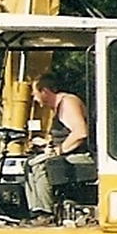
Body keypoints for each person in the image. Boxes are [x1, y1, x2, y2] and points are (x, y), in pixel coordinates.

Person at [24, 71, 90, 223]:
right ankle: (35, 211)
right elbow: (65, 134)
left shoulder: (68, 103)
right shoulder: (57, 108)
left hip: (84, 155)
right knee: (29, 163)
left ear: (45, 91)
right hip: (68, 153)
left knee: (41, 165)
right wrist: (47, 143)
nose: (34, 98)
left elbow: (80, 132)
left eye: (35, 94)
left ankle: (45, 214)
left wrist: (58, 151)